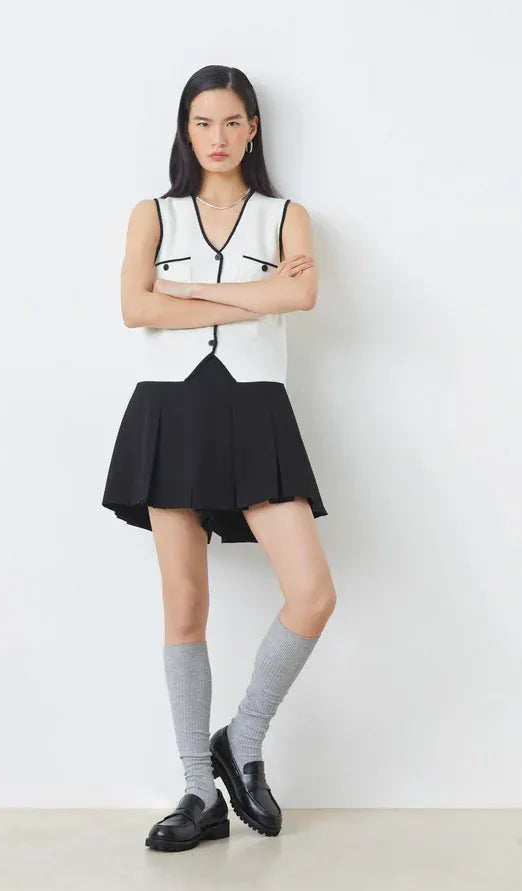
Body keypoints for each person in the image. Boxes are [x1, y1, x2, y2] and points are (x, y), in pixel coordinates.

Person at [101, 65, 337, 853]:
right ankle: (198, 790)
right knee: (184, 603)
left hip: (256, 409)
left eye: (233, 121)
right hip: (168, 410)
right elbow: (134, 307)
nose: (218, 137)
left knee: (312, 592)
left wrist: (189, 294)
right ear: (185, 130)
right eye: (203, 122)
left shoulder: (287, 216)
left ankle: (243, 736)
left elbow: (300, 297)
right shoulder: (153, 214)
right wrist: (250, 293)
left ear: (253, 128)